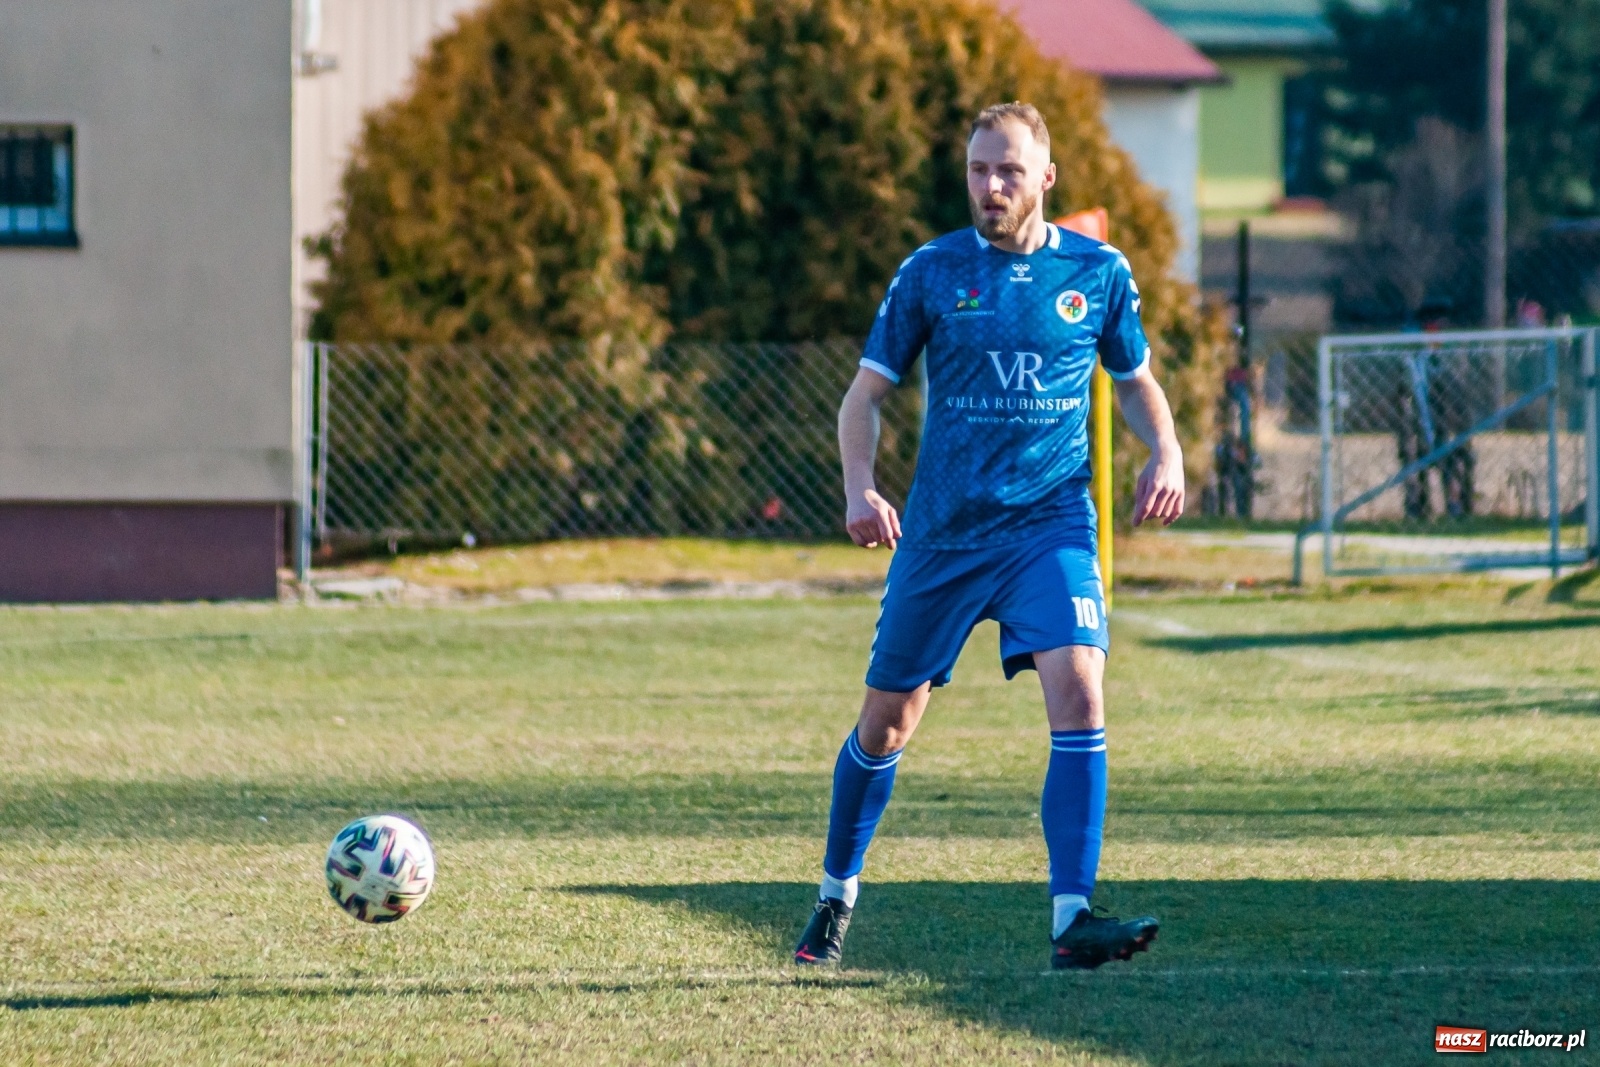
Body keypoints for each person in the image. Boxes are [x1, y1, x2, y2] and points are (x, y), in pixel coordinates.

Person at [792, 102, 1186, 971]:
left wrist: (1168, 451)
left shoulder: (1099, 271)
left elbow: (1135, 378)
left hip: (1049, 527)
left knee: (1082, 691)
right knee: (887, 727)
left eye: (1008, 170)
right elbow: (863, 397)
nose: (991, 186)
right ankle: (835, 892)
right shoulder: (932, 272)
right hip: (943, 536)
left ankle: (1071, 917)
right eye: (978, 170)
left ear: (1046, 177)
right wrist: (860, 486)